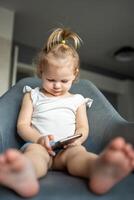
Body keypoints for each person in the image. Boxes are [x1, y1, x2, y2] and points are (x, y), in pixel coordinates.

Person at [0, 27, 134, 198]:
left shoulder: (77, 100)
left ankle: (99, 169)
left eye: (64, 81)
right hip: (40, 147)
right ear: (41, 72)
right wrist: (39, 140)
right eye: (50, 80)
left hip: (67, 149)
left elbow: (83, 128)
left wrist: (76, 140)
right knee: (33, 156)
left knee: (79, 156)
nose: (57, 85)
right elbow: (22, 125)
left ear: (74, 75)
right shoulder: (32, 95)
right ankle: (23, 175)